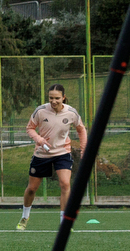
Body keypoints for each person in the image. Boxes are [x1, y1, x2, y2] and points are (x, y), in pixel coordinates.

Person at [19, 84, 87, 230]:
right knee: (31, 189)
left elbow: (81, 130)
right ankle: (24, 217)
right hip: (41, 154)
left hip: (62, 153)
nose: (53, 101)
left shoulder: (71, 113)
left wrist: (84, 149)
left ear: (63, 97)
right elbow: (30, 128)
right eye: (51, 98)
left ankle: (64, 222)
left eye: (57, 98)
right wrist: (39, 139)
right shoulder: (41, 111)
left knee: (65, 184)